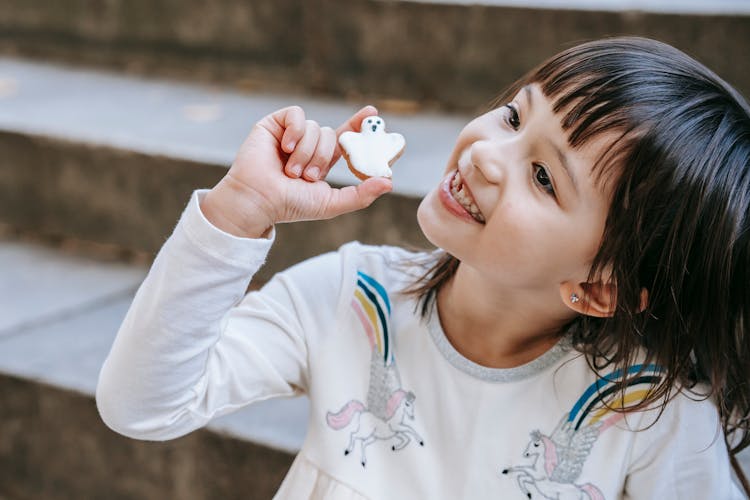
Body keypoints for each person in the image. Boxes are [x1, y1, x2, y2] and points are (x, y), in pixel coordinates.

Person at [96, 37, 749, 499]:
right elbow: (143, 406)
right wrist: (238, 211)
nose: (490, 154)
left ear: (598, 289)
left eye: (544, 176)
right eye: (515, 115)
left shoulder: (644, 411)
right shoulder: (354, 299)